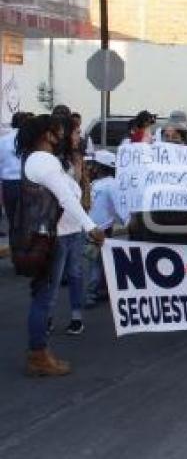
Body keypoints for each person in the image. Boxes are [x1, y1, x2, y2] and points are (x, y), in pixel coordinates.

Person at [18, 115, 104, 375]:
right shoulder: (42, 160)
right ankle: (38, 355)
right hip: (53, 236)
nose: (63, 135)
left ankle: (40, 352)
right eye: (59, 131)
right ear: (47, 135)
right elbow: (66, 197)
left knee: (46, 295)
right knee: (45, 297)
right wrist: (91, 227)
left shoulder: (41, 160)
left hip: (62, 234)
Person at [47, 114, 91, 336]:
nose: (78, 136)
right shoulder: (51, 162)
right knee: (53, 277)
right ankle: (46, 317)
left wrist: (79, 165)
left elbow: (79, 191)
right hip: (58, 227)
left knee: (75, 273)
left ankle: (76, 317)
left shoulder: (76, 158)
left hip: (76, 225)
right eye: (75, 132)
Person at [84, 150, 121, 309]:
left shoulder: (103, 184)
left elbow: (117, 207)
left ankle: (98, 291)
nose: (91, 167)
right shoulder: (101, 183)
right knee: (98, 262)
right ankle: (93, 293)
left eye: (94, 165)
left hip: (96, 228)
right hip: (100, 229)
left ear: (100, 167)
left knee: (99, 261)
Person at [0, 112, 30, 264]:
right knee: (26, 221)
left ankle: (15, 256)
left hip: (8, 184)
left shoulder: (2, 141)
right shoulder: (28, 140)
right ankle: (25, 255)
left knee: (13, 222)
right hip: (25, 183)